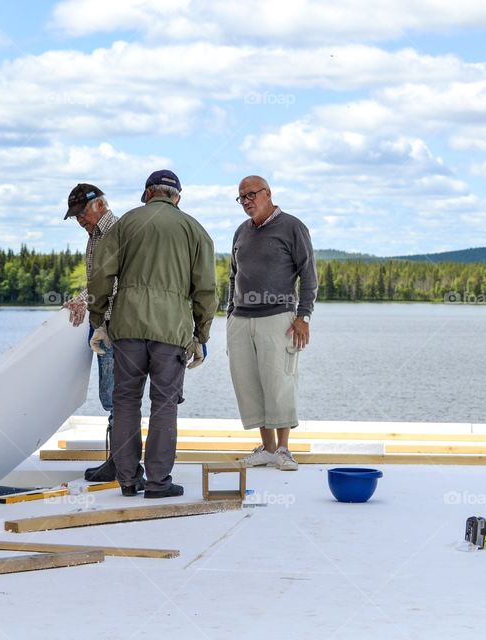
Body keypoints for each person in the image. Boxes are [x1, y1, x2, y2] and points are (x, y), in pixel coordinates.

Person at [86, 170, 217, 498]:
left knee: (126, 401)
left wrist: (98, 319)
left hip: (127, 329)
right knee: (164, 405)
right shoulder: (195, 230)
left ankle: (128, 481)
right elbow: (206, 290)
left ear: (147, 193)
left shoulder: (125, 224)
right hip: (170, 332)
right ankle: (159, 483)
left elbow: (102, 275)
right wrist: (201, 335)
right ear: (178, 198)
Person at [227, 176, 317, 471]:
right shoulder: (241, 232)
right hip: (241, 319)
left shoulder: (292, 227)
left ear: (268, 194)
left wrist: (303, 316)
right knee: (249, 384)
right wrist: (229, 314)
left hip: (278, 318)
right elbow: (233, 276)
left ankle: (283, 449)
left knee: (279, 383)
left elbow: (309, 275)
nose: (247, 201)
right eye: (241, 197)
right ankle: (266, 449)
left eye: (251, 194)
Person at [60, 183, 122, 482]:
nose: (79, 220)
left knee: (116, 397)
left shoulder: (115, 232)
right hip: (103, 324)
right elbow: (99, 281)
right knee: (114, 397)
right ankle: (120, 462)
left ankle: (120, 464)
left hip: (114, 327)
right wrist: (81, 300)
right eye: (76, 216)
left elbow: (116, 281)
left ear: (99, 205)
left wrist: (83, 301)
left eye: (82, 213)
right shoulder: (95, 235)